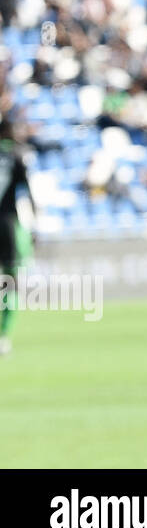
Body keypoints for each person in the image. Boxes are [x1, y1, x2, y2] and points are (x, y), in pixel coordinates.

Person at [0, 118, 36, 357]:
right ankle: (3, 335)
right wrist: (35, 225)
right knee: (11, 282)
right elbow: (27, 191)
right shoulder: (17, 154)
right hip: (7, 224)